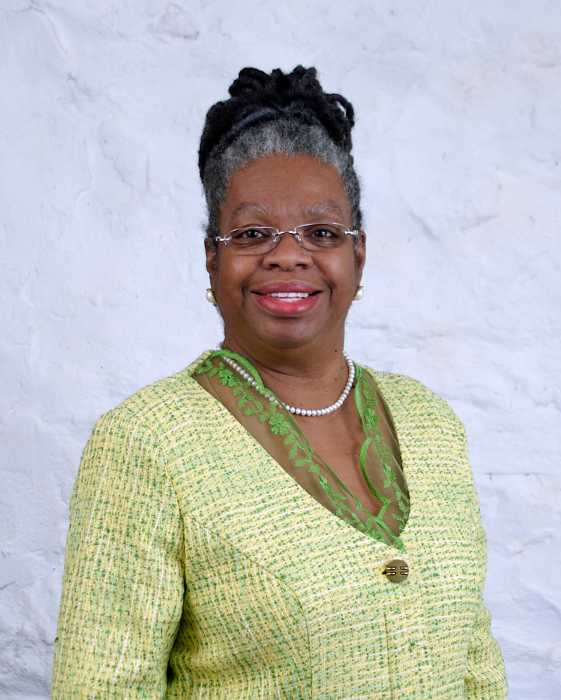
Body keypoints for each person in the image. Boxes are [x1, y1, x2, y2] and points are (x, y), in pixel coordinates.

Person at [51, 66, 508, 698]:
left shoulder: (430, 423)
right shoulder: (146, 443)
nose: (288, 254)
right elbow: (102, 688)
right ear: (212, 258)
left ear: (358, 255)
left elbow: (477, 666)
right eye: (252, 233)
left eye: (321, 233)